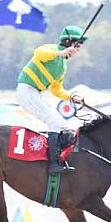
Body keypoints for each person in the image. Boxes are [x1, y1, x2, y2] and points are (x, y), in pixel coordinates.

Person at [16, 25, 87, 174]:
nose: (77, 50)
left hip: (35, 94)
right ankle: (53, 164)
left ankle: (59, 159)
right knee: (54, 122)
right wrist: (62, 52)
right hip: (26, 91)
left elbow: (56, 89)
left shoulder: (62, 66)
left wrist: (72, 98)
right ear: (68, 41)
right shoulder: (51, 49)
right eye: (77, 45)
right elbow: (40, 53)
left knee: (65, 126)